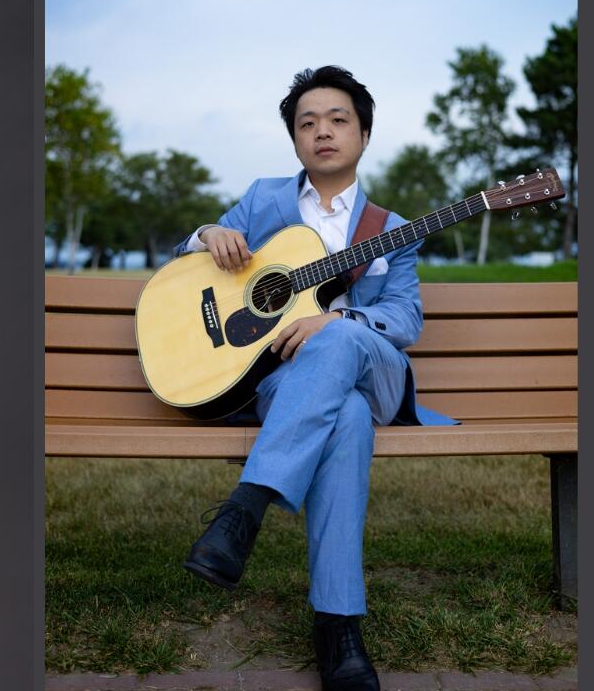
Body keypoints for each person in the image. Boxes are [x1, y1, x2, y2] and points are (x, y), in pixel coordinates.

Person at [176, 66, 456, 691]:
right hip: (281, 379)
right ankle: (338, 627)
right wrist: (208, 235)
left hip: (373, 368)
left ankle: (243, 510)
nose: (322, 131)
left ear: (362, 135)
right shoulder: (263, 199)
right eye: (308, 123)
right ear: (295, 139)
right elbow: (185, 260)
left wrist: (338, 322)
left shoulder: (389, 229)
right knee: (345, 417)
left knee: (340, 335)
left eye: (338, 120)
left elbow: (404, 318)